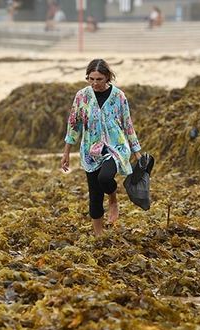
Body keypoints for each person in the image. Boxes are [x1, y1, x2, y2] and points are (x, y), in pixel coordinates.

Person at [60, 59, 142, 237]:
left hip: (116, 146)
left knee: (105, 178)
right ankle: (99, 235)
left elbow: (128, 124)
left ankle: (113, 197)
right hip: (91, 150)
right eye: (91, 79)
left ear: (107, 77)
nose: (95, 83)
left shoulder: (119, 96)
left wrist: (136, 151)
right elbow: (74, 125)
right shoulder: (82, 96)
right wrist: (66, 152)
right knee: (95, 195)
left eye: (99, 79)